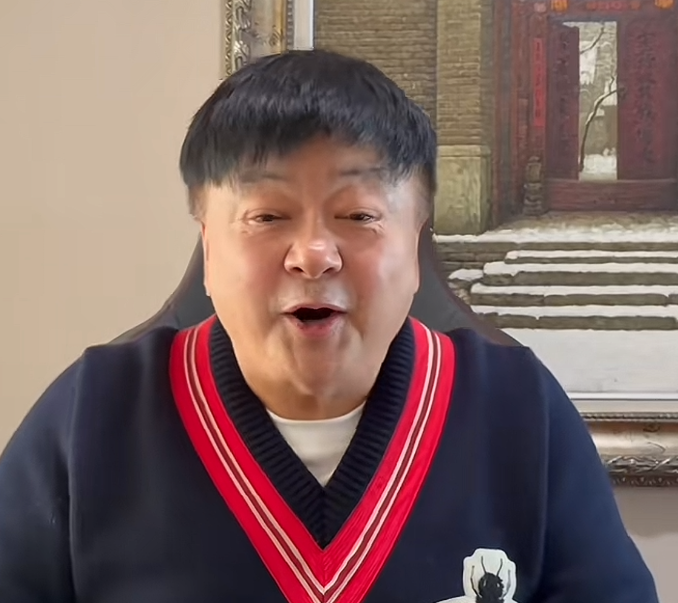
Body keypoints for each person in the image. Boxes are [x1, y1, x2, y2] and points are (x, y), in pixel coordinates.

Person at [0, 49, 657, 603]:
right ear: (207, 245)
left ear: (416, 242)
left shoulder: (518, 408)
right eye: (267, 216)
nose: (313, 254)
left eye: (359, 216)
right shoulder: (94, 412)